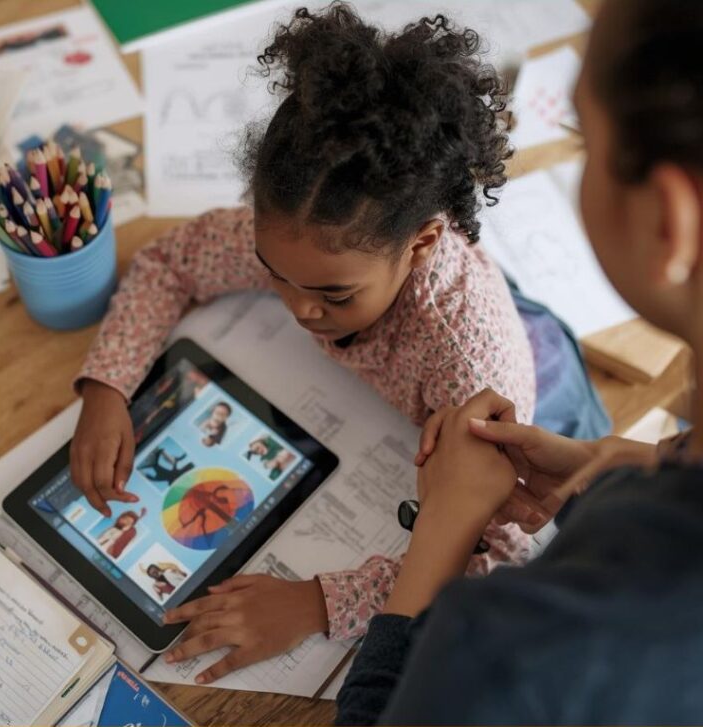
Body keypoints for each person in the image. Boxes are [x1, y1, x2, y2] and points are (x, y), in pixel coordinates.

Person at [71, 3, 604, 686]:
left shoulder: (472, 368)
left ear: (421, 245)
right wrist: (107, 385)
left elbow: (497, 550)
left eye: (333, 296)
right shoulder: (313, 237)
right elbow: (172, 261)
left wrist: (318, 602)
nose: (297, 307)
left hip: (537, 388)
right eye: (274, 272)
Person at [335, 0, 703, 723]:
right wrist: (638, 471)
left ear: (667, 222)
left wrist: (442, 528)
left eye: (584, 141)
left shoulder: (513, 651)